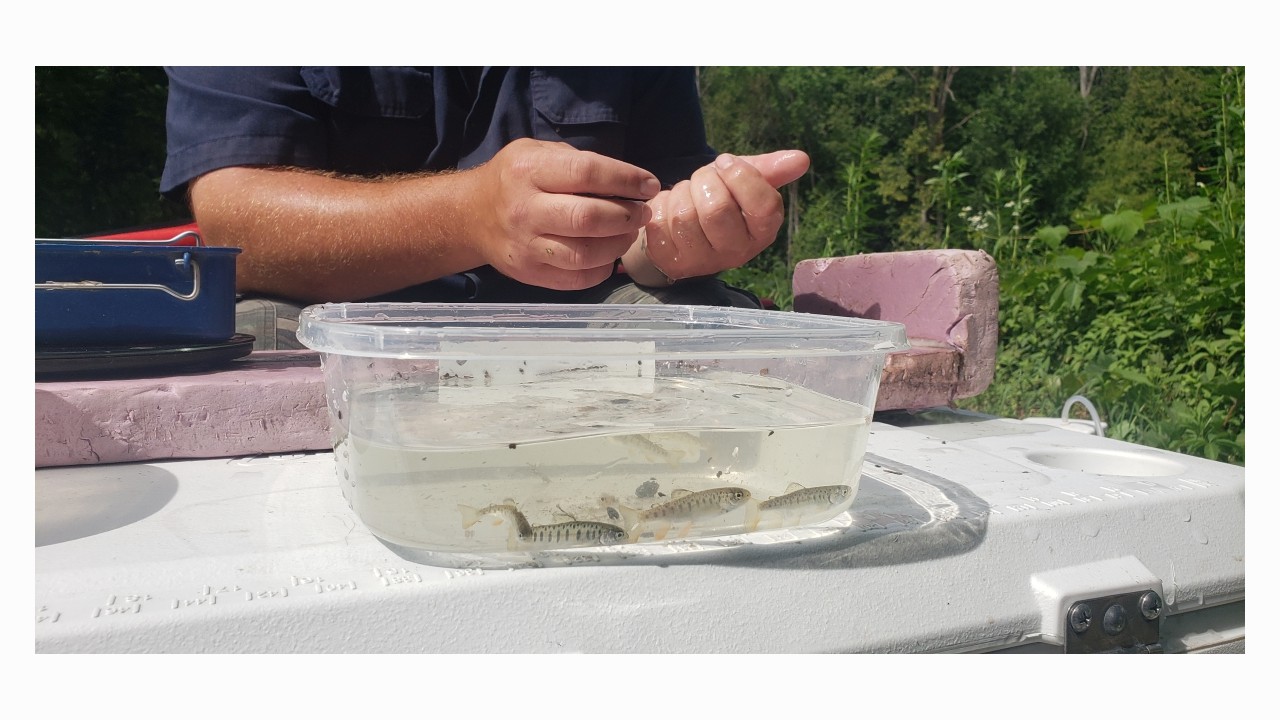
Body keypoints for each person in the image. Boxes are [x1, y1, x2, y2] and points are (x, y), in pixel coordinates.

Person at [160, 67, 810, 348]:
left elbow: (651, 231)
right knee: (251, 338)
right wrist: (467, 218)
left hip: (578, 315)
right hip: (329, 315)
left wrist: (682, 243)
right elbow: (235, 220)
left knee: (716, 331)